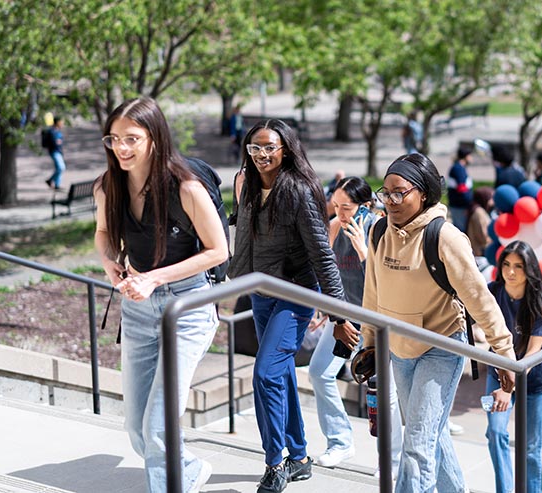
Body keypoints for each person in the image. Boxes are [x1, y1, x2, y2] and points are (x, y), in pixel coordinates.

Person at [348, 153, 517, 492]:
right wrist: (368, 342)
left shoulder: (445, 237)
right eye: (387, 193)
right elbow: (373, 291)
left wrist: (504, 352)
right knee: (430, 436)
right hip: (397, 347)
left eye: (400, 193)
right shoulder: (379, 231)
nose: (391, 201)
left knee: (417, 446)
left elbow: (479, 298)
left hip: (441, 347)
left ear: (422, 194)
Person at [93, 97, 228, 493]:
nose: (121, 148)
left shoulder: (186, 188)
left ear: (155, 138)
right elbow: (103, 233)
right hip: (136, 310)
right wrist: (109, 263)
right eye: (114, 138)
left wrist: (155, 278)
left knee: (157, 426)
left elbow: (219, 251)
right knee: (136, 427)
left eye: (132, 138)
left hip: (187, 307)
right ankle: (187, 469)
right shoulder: (108, 186)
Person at [228, 119, 355, 493]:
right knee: (279, 373)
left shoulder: (298, 191)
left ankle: (275, 461)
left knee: (265, 374)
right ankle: (299, 456)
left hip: (294, 293)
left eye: (270, 147)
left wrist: (338, 314)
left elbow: (322, 255)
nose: (262, 155)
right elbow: (243, 238)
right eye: (255, 148)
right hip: (260, 290)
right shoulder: (248, 186)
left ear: (286, 149)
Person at [306, 176, 404, 475]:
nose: (340, 213)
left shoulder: (377, 227)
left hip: (374, 320)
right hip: (344, 318)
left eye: (346, 207)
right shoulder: (336, 226)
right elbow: (328, 272)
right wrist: (323, 309)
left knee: (383, 392)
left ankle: (391, 459)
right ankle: (340, 441)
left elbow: (386, 280)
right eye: (335, 206)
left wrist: (363, 251)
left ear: (364, 205)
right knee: (319, 372)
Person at [484, 240, 542, 493]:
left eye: (518, 266)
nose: (511, 272)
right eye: (506, 264)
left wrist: (508, 389)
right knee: (495, 432)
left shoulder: (541, 300)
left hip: (534, 381)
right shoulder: (492, 292)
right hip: (498, 375)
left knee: (531, 448)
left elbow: (533, 353)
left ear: (530, 269)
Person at [447, 147, 474, 233]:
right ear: (466, 157)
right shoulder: (459, 169)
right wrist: (468, 204)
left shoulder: (458, 167)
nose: (472, 158)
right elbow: (462, 188)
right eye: (470, 156)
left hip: (458, 205)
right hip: (460, 206)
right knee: (460, 231)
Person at [467, 186, 494, 257]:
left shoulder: (477, 209)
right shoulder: (479, 213)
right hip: (479, 251)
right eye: (490, 198)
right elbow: (483, 236)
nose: (492, 201)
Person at [44, 117, 66, 189]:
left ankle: (57, 185)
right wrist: (58, 142)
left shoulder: (57, 131)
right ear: (57, 122)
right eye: (61, 122)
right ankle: (50, 180)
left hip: (59, 151)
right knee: (61, 168)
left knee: (58, 168)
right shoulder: (52, 131)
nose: (62, 124)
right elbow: (55, 142)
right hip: (54, 152)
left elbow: (59, 141)